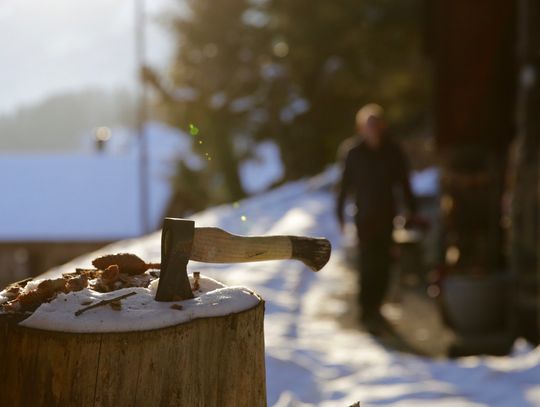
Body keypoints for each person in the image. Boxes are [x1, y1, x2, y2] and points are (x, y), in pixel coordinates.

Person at [336, 103, 416, 333]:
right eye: (368, 125)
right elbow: (343, 186)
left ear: (382, 126)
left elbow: (405, 182)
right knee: (368, 263)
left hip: (387, 216)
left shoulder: (393, 151)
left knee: (384, 263)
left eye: (376, 124)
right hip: (364, 218)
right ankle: (366, 310)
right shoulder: (353, 152)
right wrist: (339, 213)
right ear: (361, 127)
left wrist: (411, 209)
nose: (373, 129)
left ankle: (377, 307)